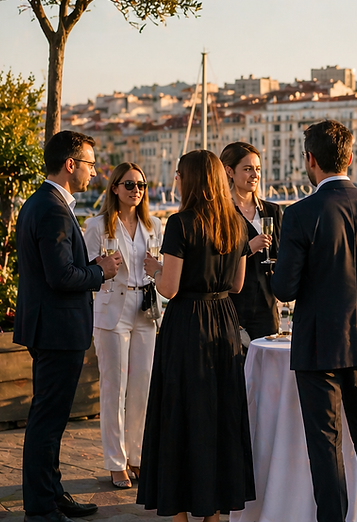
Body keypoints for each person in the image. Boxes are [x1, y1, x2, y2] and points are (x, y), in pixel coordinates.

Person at [272, 120, 357, 522]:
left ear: (310, 160)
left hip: (318, 343)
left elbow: (284, 288)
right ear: (350, 158)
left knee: (325, 442)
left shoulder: (299, 214)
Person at [137, 150, 252, 522]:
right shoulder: (236, 224)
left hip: (188, 323)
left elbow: (169, 288)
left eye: (178, 174)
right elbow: (236, 284)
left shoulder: (180, 223)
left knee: (182, 413)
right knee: (218, 414)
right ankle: (214, 511)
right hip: (223, 320)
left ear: (189, 179)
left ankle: (180, 510)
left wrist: (156, 269)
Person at [14, 130, 121, 522]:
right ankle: (41, 507)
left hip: (48, 326)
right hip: (57, 330)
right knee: (47, 419)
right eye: (91, 164)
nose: (95, 172)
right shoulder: (53, 208)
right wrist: (101, 271)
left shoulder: (41, 203)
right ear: (71, 164)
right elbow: (62, 277)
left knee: (51, 418)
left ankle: (52, 492)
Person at [83, 163, 162, 490]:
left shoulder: (155, 224)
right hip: (111, 307)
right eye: (129, 184)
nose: (136, 190)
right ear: (115, 187)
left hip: (145, 308)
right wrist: (102, 267)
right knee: (113, 388)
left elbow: (163, 267)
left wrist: (158, 270)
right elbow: (85, 270)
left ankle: (138, 457)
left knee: (142, 388)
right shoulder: (97, 225)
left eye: (141, 184)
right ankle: (116, 462)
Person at [220, 142, 282, 341]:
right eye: (247, 169)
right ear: (229, 171)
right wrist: (249, 248)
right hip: (233, 306)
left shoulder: (272, 211)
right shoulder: (222, 214)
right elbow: (216, 260)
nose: (255, 175)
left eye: (257, 169)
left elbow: (280, 254)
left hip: (267, 306)